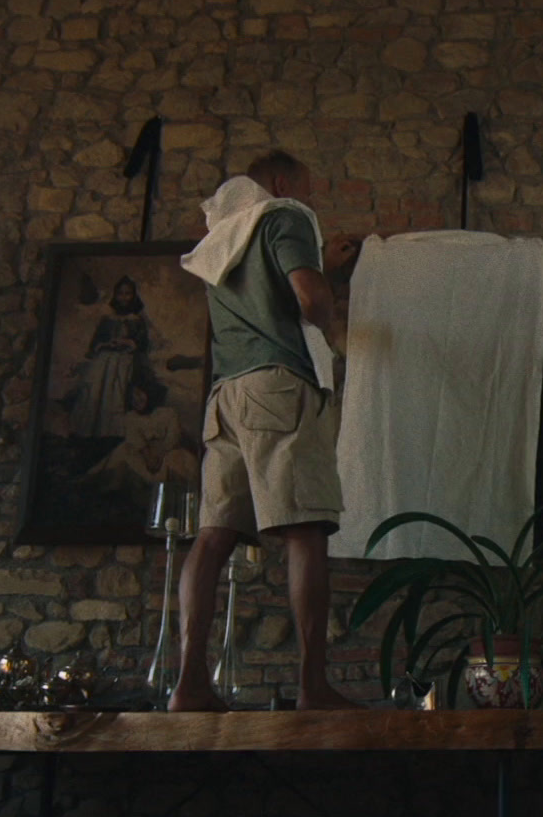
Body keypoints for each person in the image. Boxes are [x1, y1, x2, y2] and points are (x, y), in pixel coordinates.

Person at [169, 150, 361, 712]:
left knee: (213, 536)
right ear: (279, 183)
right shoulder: (284, 216)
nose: (310, 199)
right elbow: (309, 296)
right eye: (306, 187)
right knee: (305, 531)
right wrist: (327, 308)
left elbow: (260, 298)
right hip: (279, 387)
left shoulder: (223, 239)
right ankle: (313, 687)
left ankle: (189, 686)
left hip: (226, 397)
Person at [68, 275, 151, 438]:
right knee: (95, 392)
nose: (124, 297)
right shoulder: (107, 319)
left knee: (117, 395)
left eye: (128, 293)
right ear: (116, 295)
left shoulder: (137, 321)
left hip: (124, 363)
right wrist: (107, 344)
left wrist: (127, 342)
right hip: (104, 362)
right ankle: (88, 433)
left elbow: (142, 345)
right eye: (121, 293)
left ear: (133, 296)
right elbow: (95, 344)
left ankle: (112, 434)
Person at [81, 377, 198, 491]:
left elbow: (173, 437)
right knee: (124, 450)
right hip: (146, 457)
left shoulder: (168, 413)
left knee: (178, 460)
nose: (136, 400)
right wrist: (148, 457)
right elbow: (136, 440)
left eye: (138, 394)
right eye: (131, 398)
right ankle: (92, 478)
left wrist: (161, 454)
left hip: (167, 452)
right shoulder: (131, 417)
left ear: (147, 391)